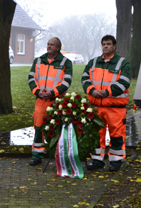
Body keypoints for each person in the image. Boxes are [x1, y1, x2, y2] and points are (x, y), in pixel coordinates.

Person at [81, 35, 131, 172]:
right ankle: (97, 161)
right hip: (97, 106)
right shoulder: (93, 62)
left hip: (115, 107)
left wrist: (106, 92)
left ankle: (116, 161)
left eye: (108, 44)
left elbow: (124, 81)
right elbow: (85, 79)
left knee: (116, 135)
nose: (106, 46)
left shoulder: (122, 63)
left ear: (114, 46)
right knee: (97, 135)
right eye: (103, 44)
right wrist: (91, 90)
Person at [28, 37, 73, 166]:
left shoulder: (66, 62)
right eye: (48, 44)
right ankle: (37, 155)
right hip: (41, 100)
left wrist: (52, 93)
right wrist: (37, 91)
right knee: (38, 127)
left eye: (52, 45)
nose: (49, 46)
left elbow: (66, 81)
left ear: (58, 48)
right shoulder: (38, 60)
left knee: (58, 127)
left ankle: (59, 155)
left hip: (57, 100)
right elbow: (31, 78)